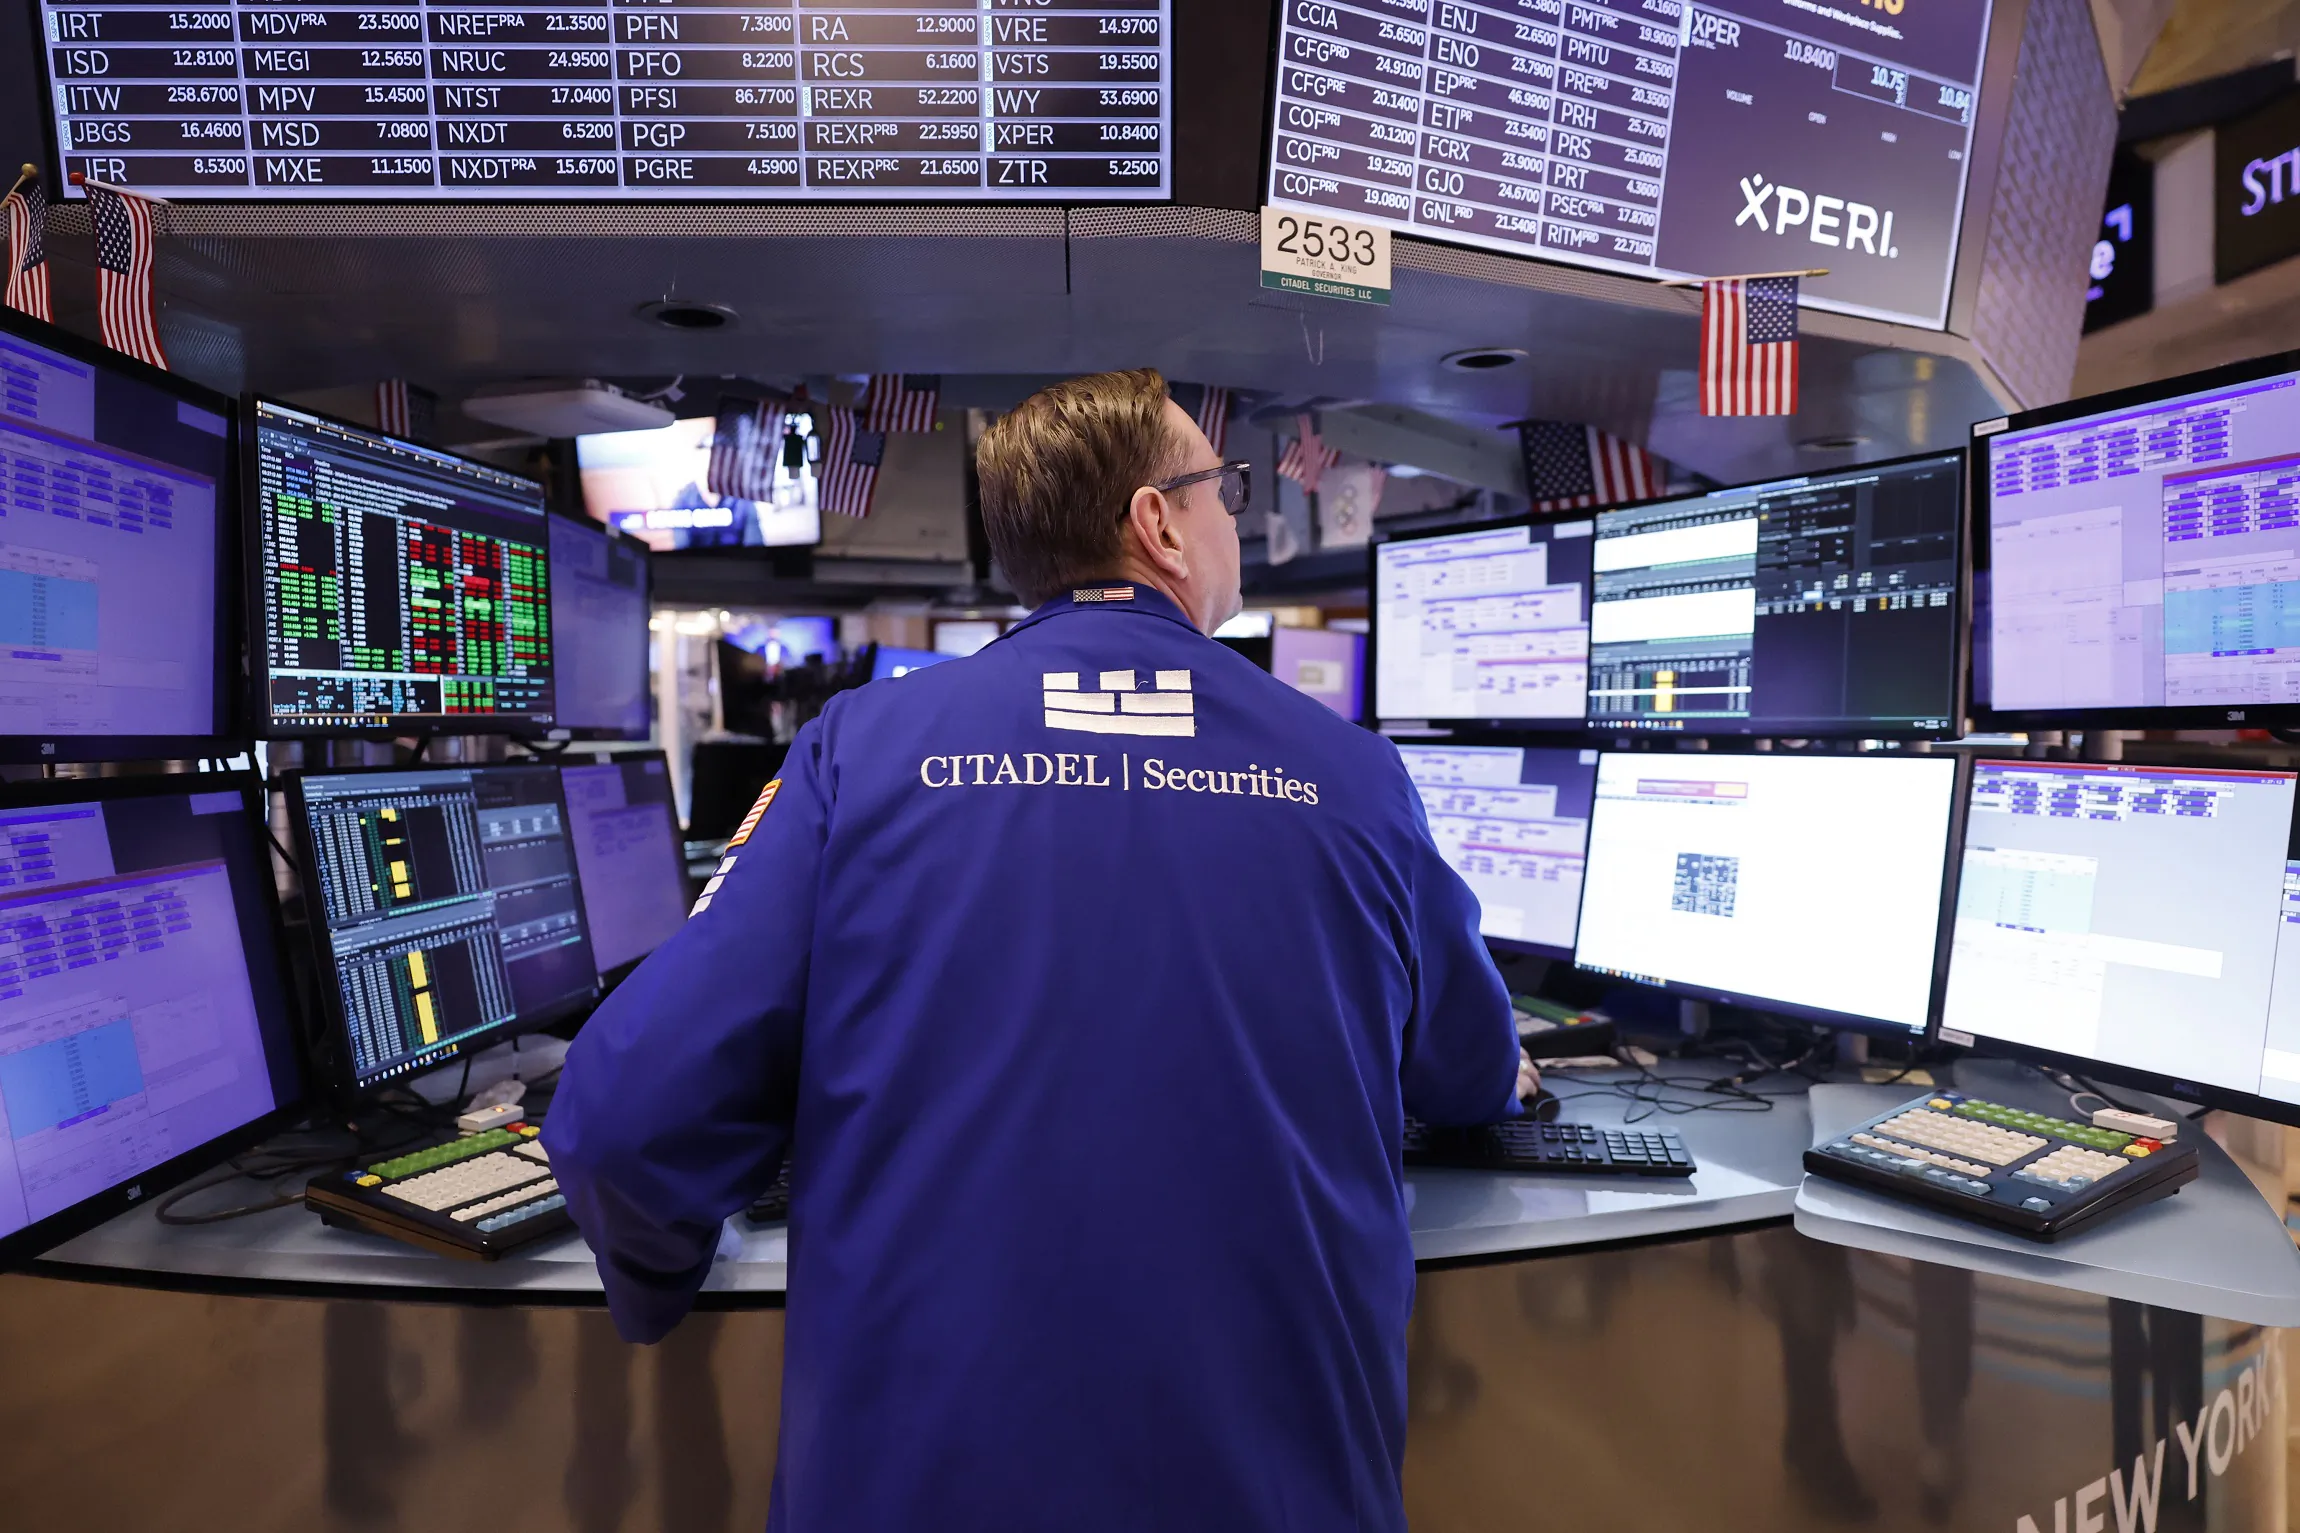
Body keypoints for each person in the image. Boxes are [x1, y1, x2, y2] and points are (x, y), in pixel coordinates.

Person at [546, 368, 1538, 1531]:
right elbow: (1468, 1073)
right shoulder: (1354, 772)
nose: (1236, 520)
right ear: (1157, 523)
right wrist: (1499, 1074)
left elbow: (624, 1116)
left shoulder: (860, 751)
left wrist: (665, 1285)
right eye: (1221, 491)